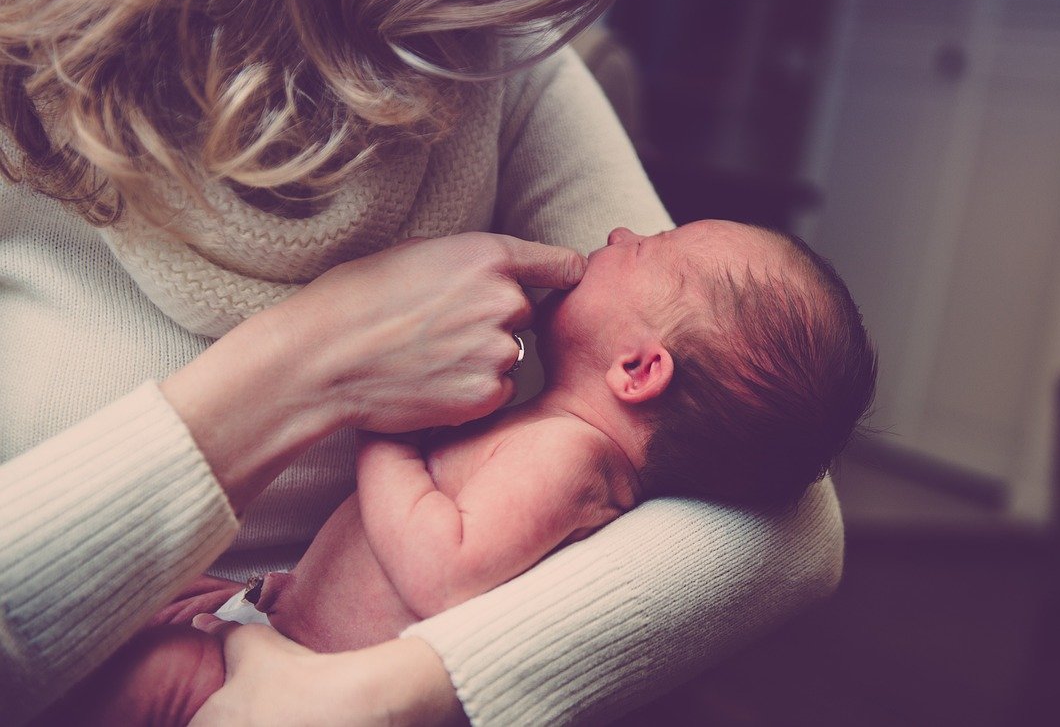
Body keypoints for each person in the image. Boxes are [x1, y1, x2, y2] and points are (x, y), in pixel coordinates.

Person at [0, 0, 846, 725]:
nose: (621, 238)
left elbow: (793, 525)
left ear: (640, 367)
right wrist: (326, 362)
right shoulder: (25, 43)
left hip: (289, 658)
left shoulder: (502, 57)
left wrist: (381, 696)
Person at [53, 220, 877, 723]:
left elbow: (445, 573)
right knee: (147, 621)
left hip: (308, 682)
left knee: (144, 677)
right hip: (287, 623)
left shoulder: (567, 458)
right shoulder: (556, 435)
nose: (622, 234)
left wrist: (386, 432)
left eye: (651, 249)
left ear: (638, 369)